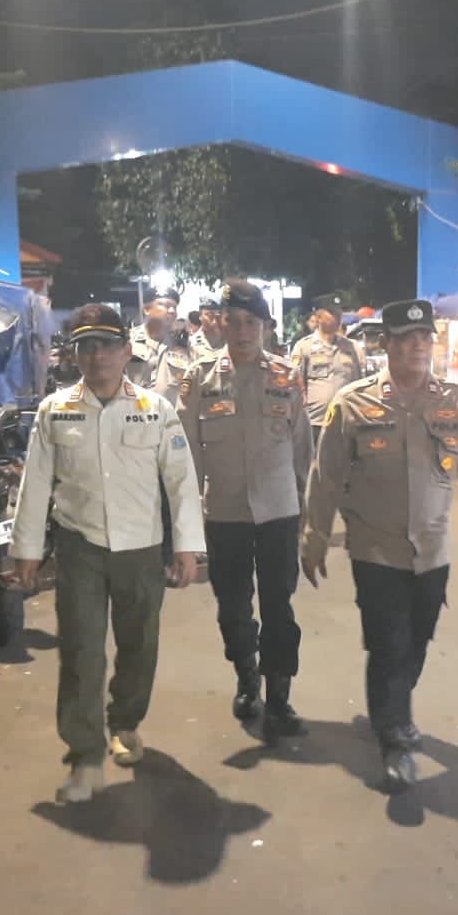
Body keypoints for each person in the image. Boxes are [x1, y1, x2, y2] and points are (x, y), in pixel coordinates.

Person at [301, 298, 458, 792]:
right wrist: (314, 537)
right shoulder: (353, 403)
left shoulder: (454, 402)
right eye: (407, 339)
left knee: (416, 643)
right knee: (389, 644)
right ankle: (394, 738)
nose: (419, 347)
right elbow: (326, 475)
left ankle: (391, 708)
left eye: (425, 338)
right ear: (387, 344)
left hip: (431, 551)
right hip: (374, 549)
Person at [5, 304, 205, 803]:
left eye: (107, 345)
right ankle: (85, 756)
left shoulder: (155, 409)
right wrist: (26, 550)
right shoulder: (55, 410)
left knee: (139, 645)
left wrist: (187, 547)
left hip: (141, 548)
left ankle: (126, 722)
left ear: (126, 351)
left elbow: (181, 482)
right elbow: (35, 485)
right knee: (80, 651)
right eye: (86, 346)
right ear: (74, 354)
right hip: (81, 547)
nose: (97, 356)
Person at [177, 280, 313, 741]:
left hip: (278, 512)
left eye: (250, 322)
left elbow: (301, 448)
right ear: (220, 324)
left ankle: (279, 698)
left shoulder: (287, 376)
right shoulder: (199, 378)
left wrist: (306, 511)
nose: (241, 331)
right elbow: (187, 454)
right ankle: (247, 679)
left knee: (279, 607)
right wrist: (186, 524)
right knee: (232, 609)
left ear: (265, 326)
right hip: (224, 513)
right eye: (233, 321)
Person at [290, 293, 367, 448]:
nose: (338, 317)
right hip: (316, 422)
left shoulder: (352, 348)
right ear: (318, 317)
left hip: (346, 419)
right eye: (332, 312)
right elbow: (295, 383)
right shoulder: (304, 347)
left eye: (339, 312)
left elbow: (361, 383)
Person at [127, 289, 179, 386]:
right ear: (146, 309)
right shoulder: (127, 341)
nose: (172, 311)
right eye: (166, 306)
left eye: (175, 307)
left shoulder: (182, 344)